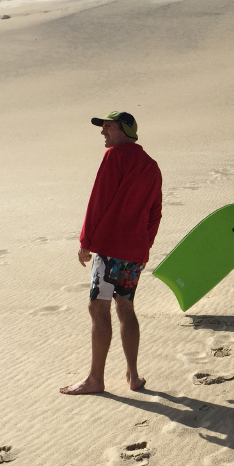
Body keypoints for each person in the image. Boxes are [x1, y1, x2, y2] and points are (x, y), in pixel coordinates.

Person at [60, 111, 163, 395]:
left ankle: (96, 379)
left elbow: (98, 199)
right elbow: (155, 211)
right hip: (134, 251)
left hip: (109, 249)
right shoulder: (151, 165)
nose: (103, 132)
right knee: (126, 307)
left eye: (109, 127)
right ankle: (133, 375)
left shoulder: (114, 156)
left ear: (125, 131)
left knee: (99, 307)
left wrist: (85, 241)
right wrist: (144, 246)